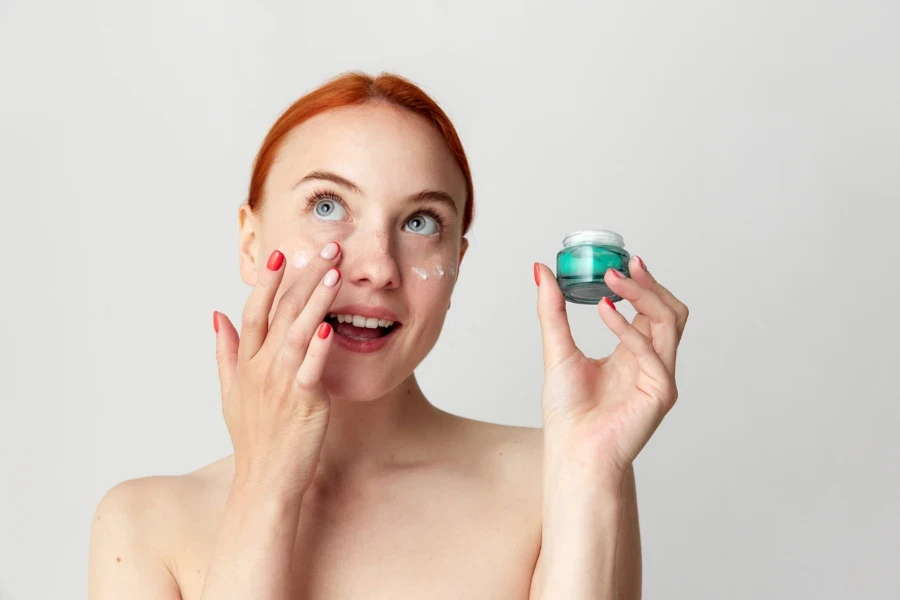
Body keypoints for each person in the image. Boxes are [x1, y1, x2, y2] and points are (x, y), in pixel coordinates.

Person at [87, 71, 689, 600]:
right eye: (327, 206)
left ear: (458, 260)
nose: (378, 265)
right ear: (250, 243)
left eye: (421, 222)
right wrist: (265, 483)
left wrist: (588, 473)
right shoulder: (143, 527)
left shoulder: (553, 481)